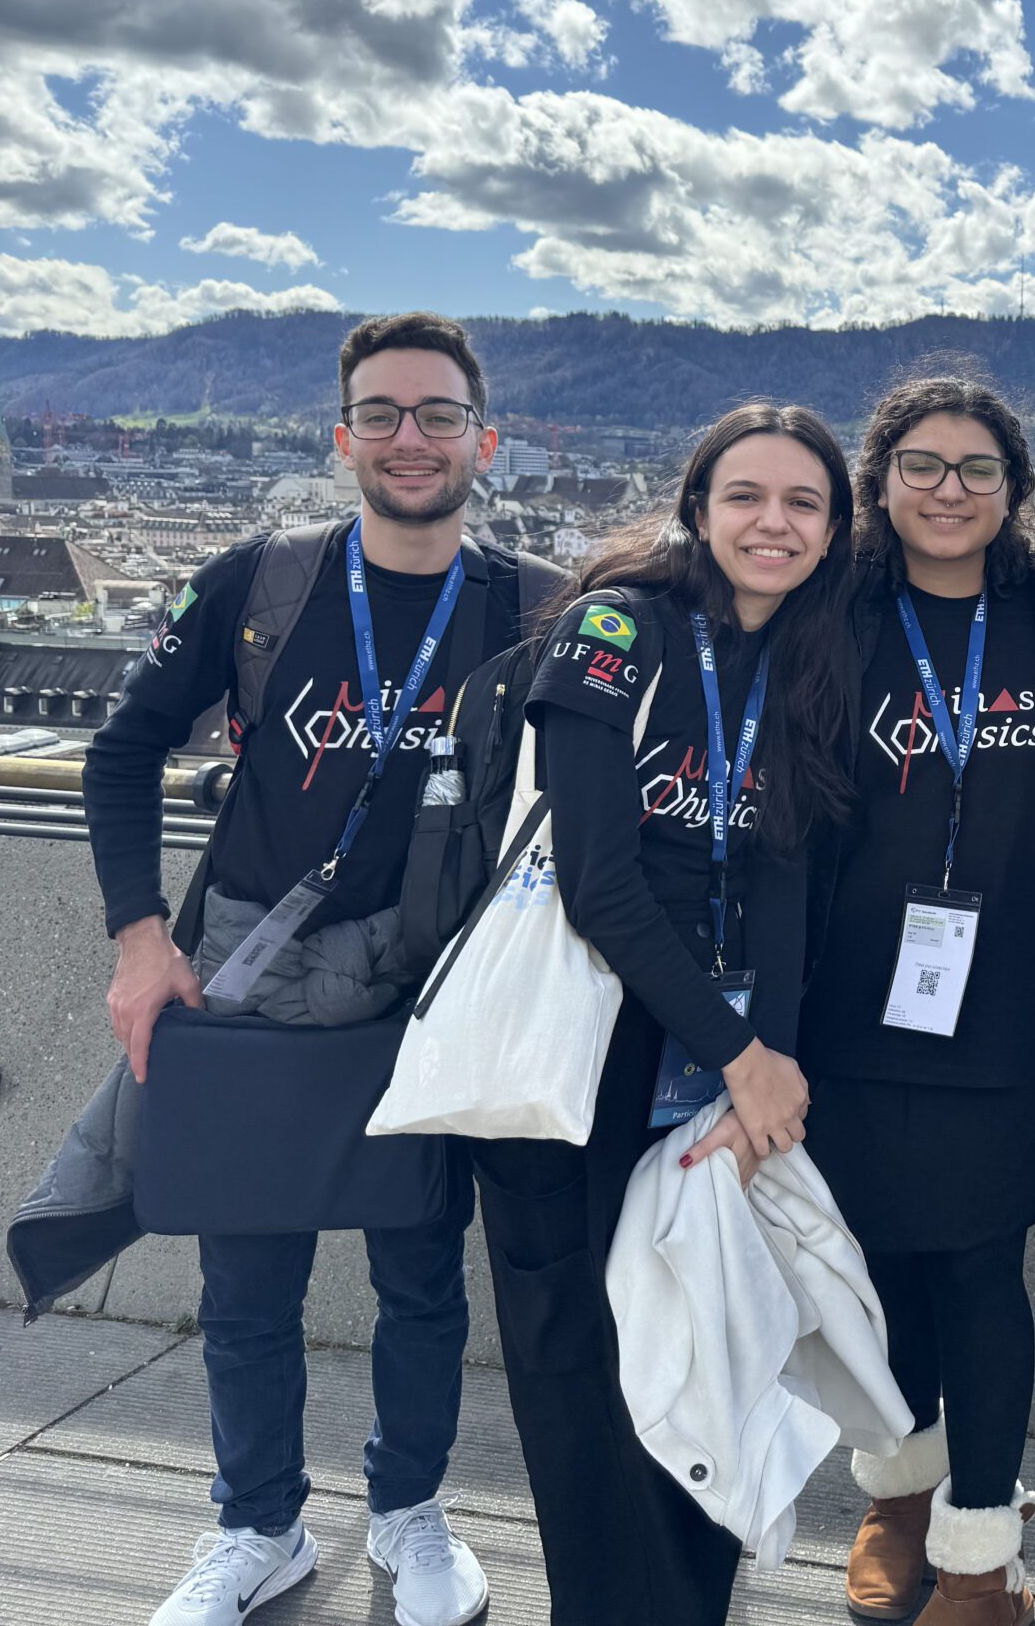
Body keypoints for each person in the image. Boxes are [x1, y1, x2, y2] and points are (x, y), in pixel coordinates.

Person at [82, 313, 544, 1626]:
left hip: (430, 985)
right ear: (342, 436)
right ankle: (259, 1526)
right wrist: (138, 942)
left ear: (483, 440)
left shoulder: (533, 605)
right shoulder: (257, 584)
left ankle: (408, 1511)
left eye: (440, 415)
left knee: (419, 1270)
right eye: (386, 415)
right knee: (249, 1274)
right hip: (253, 972)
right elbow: (120, 753)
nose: (413, 439)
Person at [468, 401, 856, 1625]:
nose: (773, 522)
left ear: (835, 528)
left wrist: (766, 1072)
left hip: (713, 1068)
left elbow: (788, 876)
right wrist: (742, 1053)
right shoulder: (612, 631)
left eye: (804, 502)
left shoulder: (804, 655)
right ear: (696, 507)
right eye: (746, 495)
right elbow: (598, 883)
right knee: (581, 1375)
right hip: (583, 1053)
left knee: (704, 1349)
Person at [806, 375, 1035, 1626]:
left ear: (1016, 494)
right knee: (879, 1268)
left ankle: (981, 1557)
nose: (949, 491)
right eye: (922, 465)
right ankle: (901, 1495)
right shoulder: (833, 616)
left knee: (980, 1266)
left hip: (1014, 1003)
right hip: (850, 1003)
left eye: (979, 470)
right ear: (878, 483)